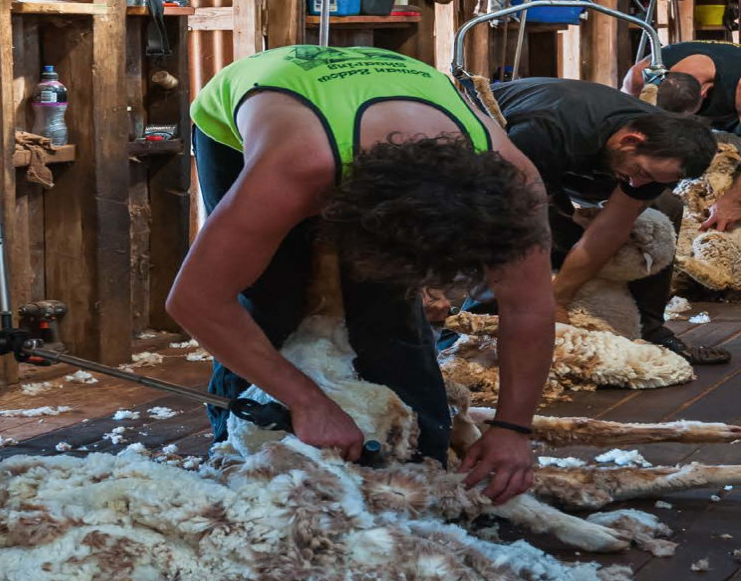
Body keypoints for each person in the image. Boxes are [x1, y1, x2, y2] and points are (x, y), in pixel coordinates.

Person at [172, 45, 554, 502]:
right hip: (262, 99)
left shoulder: (513, 180)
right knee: (271, 296)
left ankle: (420, 447)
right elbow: (198, 300)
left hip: (375, 100)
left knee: (386, 303)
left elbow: (528, 306)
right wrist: (308, 401)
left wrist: (513, 429)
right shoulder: (298, 166)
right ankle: (241, 445)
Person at [486, 77, 728, 365]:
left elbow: (610, 228)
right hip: (505, 149)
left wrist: (560, 298)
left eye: (650, 178)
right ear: (630, 141)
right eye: (642, 172)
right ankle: (481, 323)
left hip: (589, 161)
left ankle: (647, 330)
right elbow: (506, 217)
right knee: (537, 229)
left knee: (664, 207)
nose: (639, 182)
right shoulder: (548, 129)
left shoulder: (663, 151)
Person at [620, 41, 741, 268]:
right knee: (663, 161)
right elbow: (624, 124)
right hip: (690, 104)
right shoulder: (640, 77)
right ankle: (672, 256)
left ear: (704, 92)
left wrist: (733, 200)